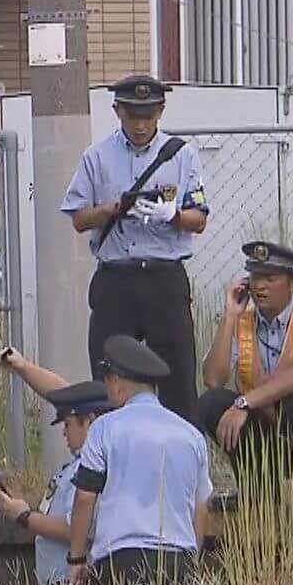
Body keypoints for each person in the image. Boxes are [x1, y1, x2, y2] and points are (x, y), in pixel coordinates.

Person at [61, 75, 210, 424]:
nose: (141, 125)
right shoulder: (96, 157)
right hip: (117, 278)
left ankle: (184, 467)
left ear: (160, 111)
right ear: (118, 112)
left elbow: (199, 218)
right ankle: (108, 462)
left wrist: (171, 214)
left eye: (148, 115)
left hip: (164, 278)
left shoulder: (181, 155)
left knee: (177, 381)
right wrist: (113, 209)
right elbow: (79, 218)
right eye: (132, 116)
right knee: (108, 379)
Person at [64, 336, 213, 585]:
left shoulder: (104, 428)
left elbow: (85, 497)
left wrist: (76, 558)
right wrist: (192, 562)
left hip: (121, 562)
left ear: (116, 383)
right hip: (179, 562)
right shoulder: (192, 436)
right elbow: (200, 509)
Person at [197, 242, 293, 485]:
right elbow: (213, 380)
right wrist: (229, 315)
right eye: (255, 276)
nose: (259, 286)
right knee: (212, 403)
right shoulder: (243, 321)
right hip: (268, 432)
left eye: (270, 278)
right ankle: (260, 494)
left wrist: (244, 403)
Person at [0, 347, 115, 585]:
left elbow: (76, 529)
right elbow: (64, 392)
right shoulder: (83, 463)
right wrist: (22, 367)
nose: (64, 433)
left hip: (71, 583)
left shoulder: (93, 468)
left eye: (68, 424)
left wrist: (25, 516)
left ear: (89, 421)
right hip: (58, 582)